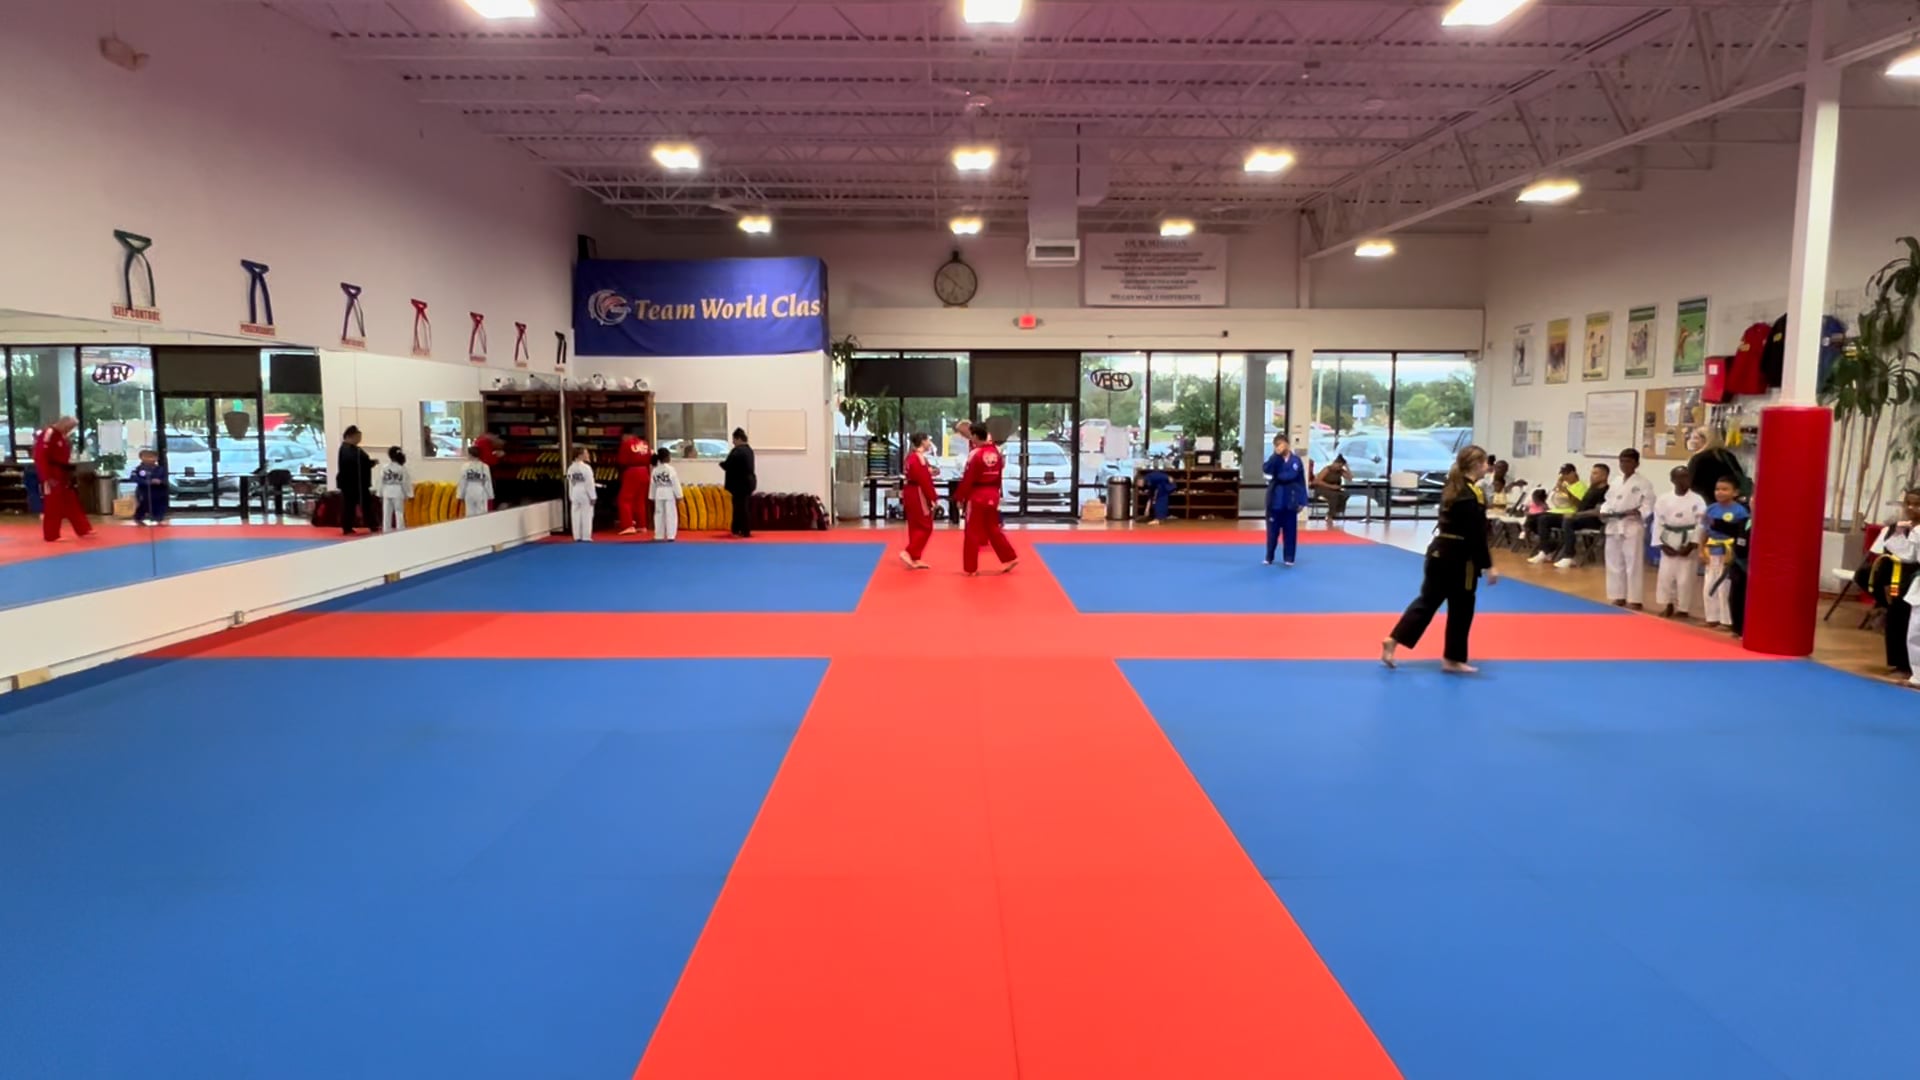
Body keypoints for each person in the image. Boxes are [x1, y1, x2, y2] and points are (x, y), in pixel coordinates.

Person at [1382, 444, 1499, 674]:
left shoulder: (1452, 488)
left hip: (1438, 552)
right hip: (1460, 558)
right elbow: (1476, 534)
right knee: (1462, 608)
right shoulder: (1471, 494)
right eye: (1485, 463)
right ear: (1476, 465)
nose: (1487, 467)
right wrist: (1488, 565)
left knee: (1427, 602)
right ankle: (1453, 658)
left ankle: (1393, 639)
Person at [1869, 487, 1920, 679]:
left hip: (1912, 579)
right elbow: (1908, 555)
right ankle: (1916, 675)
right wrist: (1898, 534)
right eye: (1908, 503)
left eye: (1917, 504)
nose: (1911, 508)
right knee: (1915, 629)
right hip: (1911, 583)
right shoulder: (1912, 530)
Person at [955, 424, 1019, 575]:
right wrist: (997, 494)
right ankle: (1009, 557)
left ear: (976, 437)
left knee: (972, 531)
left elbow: (968, 478)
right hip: (992, 493)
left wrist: (960, 497)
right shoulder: (995, 452)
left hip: (977, 494)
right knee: (993, 528)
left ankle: (971, 568)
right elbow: (999, 475)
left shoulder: (975, 454)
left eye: (971, 436)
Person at [1600, 448, 1655, 608]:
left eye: (1628, 461)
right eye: (1622, 461)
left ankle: (1635, 599)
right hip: (1614, 524)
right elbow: (1608, 501)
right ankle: (1618, 596)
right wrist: (1604, 512)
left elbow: (1648, 505)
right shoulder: (1616, 481)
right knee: (1613, 562)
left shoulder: (1643, 483)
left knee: (1633, 563)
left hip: (1632, 524)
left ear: (1636, 463)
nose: (1624, 464)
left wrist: (1636, 511)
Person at [1530, 463, 1609, 569]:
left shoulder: (1606, 491)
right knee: (1544, 519)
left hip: (1593, 520)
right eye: (1592, 473)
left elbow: (1598, 510)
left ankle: (1569, 556)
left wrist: (1576, 514)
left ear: (1604, 476)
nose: (1591, 476)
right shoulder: (1591, 489)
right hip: (1579, 516)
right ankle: (1546, 550)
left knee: (1569, 521)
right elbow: (1579, 504)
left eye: (1595, 473)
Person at [1651, 466, 1705, 619]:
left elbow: (1701, 523)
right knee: (1666, 575)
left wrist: (1692, 544)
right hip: (1668, 538)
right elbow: (1658, 523)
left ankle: (1683, 608)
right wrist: (1662, 544)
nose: (1683, 480)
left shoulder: (1698, 500)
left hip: (1688, 538)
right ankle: (1667, 604)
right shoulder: (1663, 499)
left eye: (1686, 476)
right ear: (1672, 479)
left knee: (1685, 577)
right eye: (1679, 477)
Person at [1698, 476, 1749, 631]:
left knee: (1725, 587)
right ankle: (1711, 617)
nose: (1720, 492)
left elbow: (1741, 534)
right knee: (1709, 585)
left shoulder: (1740, 511)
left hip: (1729, 551)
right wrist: (1701, 549)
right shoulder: (1711, 509)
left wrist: (1735, 553)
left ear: (1735, 492)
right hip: (1712, 550)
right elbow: (1704, 531)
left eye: (1725, 489)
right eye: (1717, 489)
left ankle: (1726, 621)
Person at [31, 416, 92, 542]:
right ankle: (51, 535)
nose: (70, 430)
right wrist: (46, 477)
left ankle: (83, 529)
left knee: (70, 500)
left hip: (62, 473)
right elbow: (40, 455)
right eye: (69, 427)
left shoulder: (61, 436)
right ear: (63, 424)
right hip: (51, 473)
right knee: (53, 504)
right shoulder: (49, 433)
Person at [1262, 434, 1307, 566]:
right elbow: (1266, 469)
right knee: (1272, 532)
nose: (1280, 447)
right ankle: (1269, 556)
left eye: (1281, 444)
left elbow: (1301, 482)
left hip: (1291, 499)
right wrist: (1276, 455)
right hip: (1275, 499)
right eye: (1277, 445)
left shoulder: (1296, 461)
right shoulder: (1274, 460)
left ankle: (1289, 557)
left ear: (1287, 444)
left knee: (1290, 531)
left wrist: (1302, 501)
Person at [901, 432, 937, 569]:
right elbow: (924, 480)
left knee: (914, 525)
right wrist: (932, 497)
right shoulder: (918, 458)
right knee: (926, 526)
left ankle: (915, 557)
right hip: (918, 492)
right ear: (922, 442)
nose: (929, 443)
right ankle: (909, 552)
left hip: (910, 491)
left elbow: (921, 474)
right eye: (928, 440)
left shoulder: (910, 457)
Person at [1685, 428, 1745, 509]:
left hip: (1705, 505)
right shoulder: (1728, 456)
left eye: (1696, 438)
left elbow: (1689, 485)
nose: (1691, 441)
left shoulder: (1698, 459)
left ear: (1705, 440)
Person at [336, 425, 374, 535]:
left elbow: (362, 462)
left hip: (360, 482)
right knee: (349, 506)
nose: (359, 440)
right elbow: (352, 463)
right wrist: (367, 463)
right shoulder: (346, 449)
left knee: (366, 504)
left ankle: (372, 524)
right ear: (350, 437)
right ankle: (347, 527)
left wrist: (369, 463)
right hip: (350, 483)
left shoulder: (355, 449)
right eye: (357, 437)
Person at [615, 431, 653, 536]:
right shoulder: (645, 444)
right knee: (640, 500)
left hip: (632, 471)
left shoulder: (627, 444)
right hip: (644, 471)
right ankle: (642, 525)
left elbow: (621, 461)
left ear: (627, 436)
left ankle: (628, 525)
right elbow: (650, 458)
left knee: (624, 500)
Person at [721, 427, 756, 538]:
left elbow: (728, 465)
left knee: (739, 508)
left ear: (739, 439)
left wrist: (722, 464)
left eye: (734, 440)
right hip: (749, 482)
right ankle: (742, 529)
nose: (733, 442)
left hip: (740, 484)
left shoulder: (738, 451)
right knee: (743, 507)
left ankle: (741, 530)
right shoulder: (749, 450)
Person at [649, 447, 684, 542]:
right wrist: (679, 495)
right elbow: (675, 482)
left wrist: (651, 496)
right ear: (665, 458)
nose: (670, 458)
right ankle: (671, 535)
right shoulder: (670, 469)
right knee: (671, 514)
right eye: (669, 456)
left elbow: (652, 484)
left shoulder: (655, 470)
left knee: (659, 514)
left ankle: (658, 535)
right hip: (669, 492)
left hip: (658, 493)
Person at [378, 446, 413, 533]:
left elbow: (380, 481)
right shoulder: (402, 469)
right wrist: (409, 494)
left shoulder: (385, 467)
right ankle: (400, 529)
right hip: (397, 491)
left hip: (386, 490)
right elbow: (405, 482)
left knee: (386, 513)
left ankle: (386, 530)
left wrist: (380, 493)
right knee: (399, 512)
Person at [130, 448, 168, 526]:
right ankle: (138, 518)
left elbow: (165, 478)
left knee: (160, 505)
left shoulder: (160, 469)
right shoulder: (139, 469)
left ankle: (159, 519)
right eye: (148, 457)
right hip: (144, 491)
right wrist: (148, 482)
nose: (151, 459)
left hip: (159, 491)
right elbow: (134, 478)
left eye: (153, 457)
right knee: (144, 505)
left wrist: (160, 481)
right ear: (142, 458)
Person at [566, 446, 597, 542]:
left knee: (575, 514)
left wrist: (571, 495)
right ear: (580, 455)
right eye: (586, 453)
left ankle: (577, 536)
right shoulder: (586, 468)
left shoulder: (571, 468)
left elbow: (570, 482)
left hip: (575, 491)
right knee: (587, 514)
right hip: (584, 492)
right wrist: (593, 496)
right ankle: (586, 536)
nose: (588, 455)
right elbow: (589, 483)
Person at [458, 445, 494, 519]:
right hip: (481, 489)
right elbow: (487, 481)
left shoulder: (465, 466)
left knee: (469, 512)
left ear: (470, 455)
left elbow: (462, 482)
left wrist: (460, 495)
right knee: (482, 512)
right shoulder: (484, 466)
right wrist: (490, 495)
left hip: (469, 490)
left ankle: (471, 527)